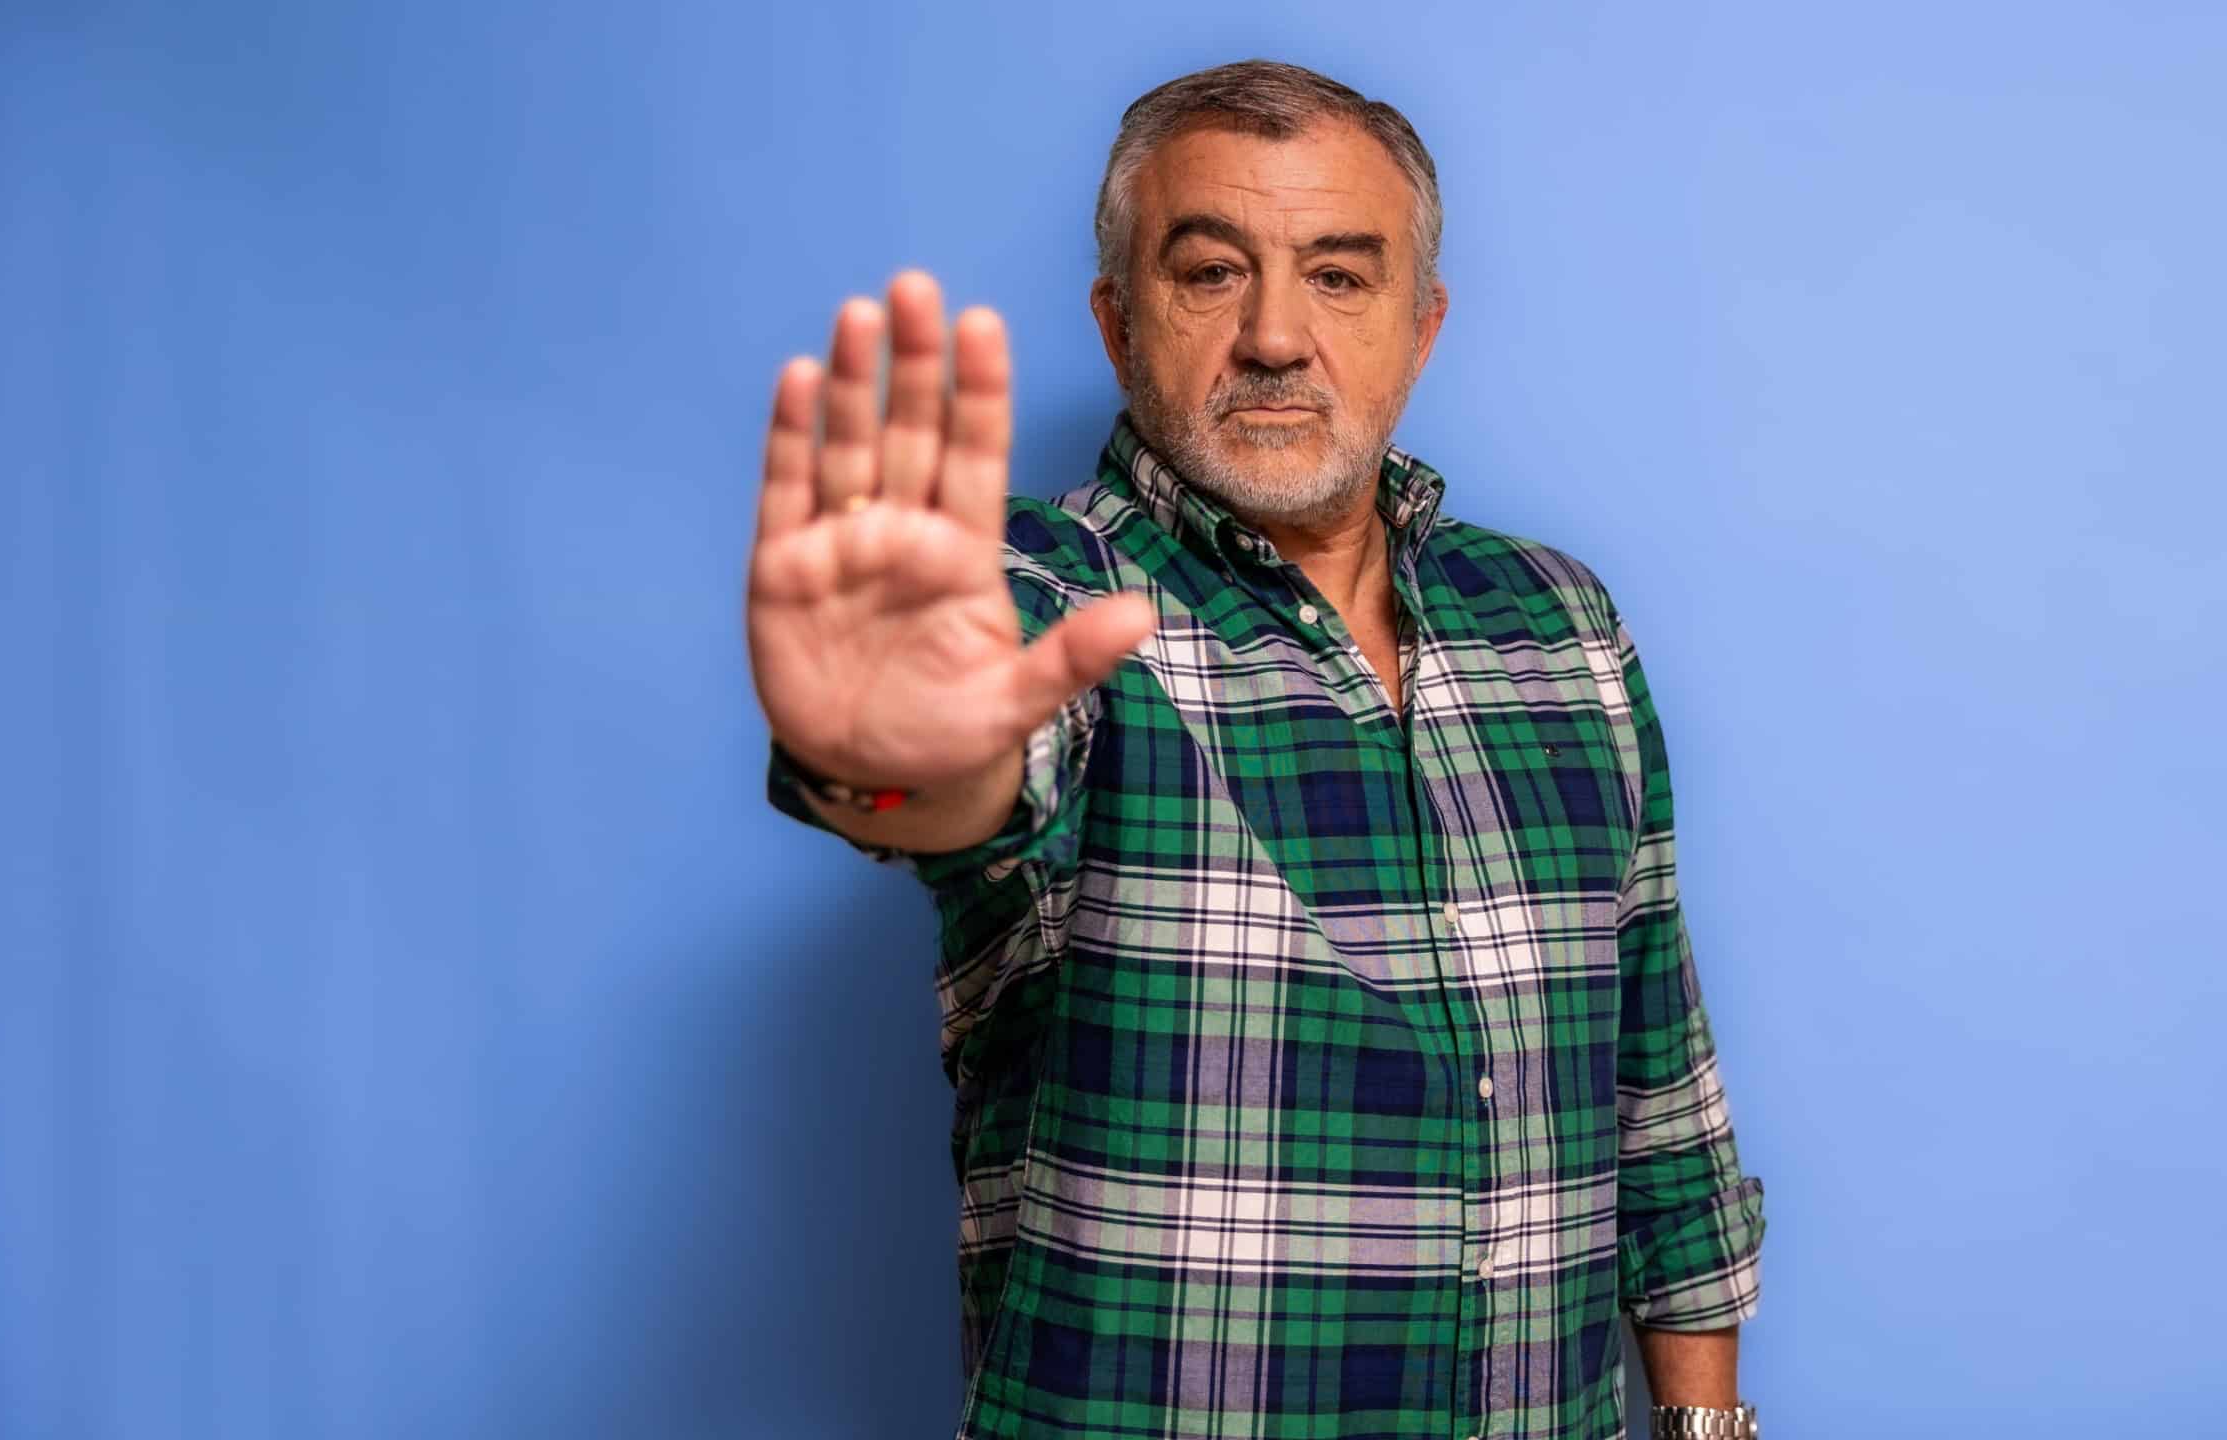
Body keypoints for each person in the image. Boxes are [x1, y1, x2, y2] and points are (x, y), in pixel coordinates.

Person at [746, 59, 1767, 1440]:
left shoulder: (1563, 622)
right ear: (1118, 325)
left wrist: (1705, 1424)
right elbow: (963, 773)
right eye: (1212, 273)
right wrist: (883, 750)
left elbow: (1662, 1089)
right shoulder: (1040, 594)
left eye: (1341, 278)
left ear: (1423, 326)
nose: (1277, 336)